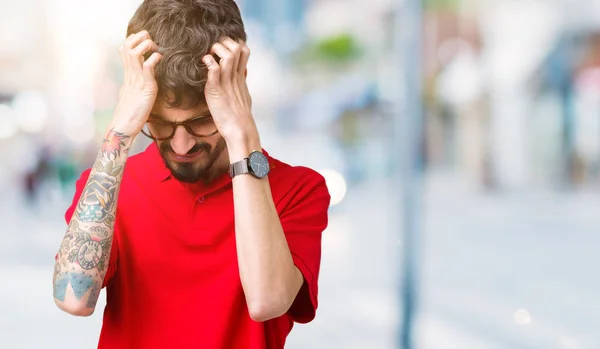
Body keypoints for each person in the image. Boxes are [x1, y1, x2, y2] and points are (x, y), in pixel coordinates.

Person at [51, 1, 331, 348]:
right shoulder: (110, 185)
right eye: (161, 124)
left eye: (201, 121)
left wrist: (242, 135)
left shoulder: (298, 190)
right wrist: (121, 126)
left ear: (238, 87)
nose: (181, 145)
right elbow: (72, 297)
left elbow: (267, 301)